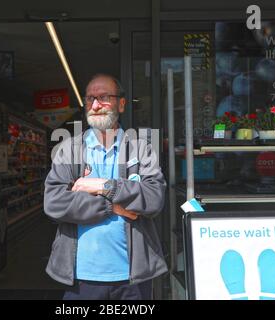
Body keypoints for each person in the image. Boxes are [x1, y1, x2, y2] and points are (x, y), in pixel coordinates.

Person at [44, 74, 167, 300]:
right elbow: (54, 203)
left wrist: (104, 186)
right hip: (81, 277)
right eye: (90, 99)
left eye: (103, 97)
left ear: (121, 104)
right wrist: (113, 208)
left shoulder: (141, 149)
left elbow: (154, 199)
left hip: (132, 277)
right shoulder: (69, 150)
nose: (96, 105)